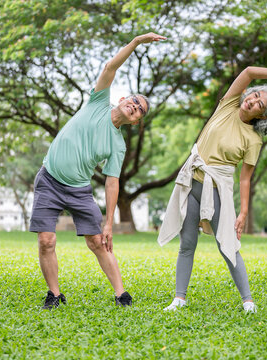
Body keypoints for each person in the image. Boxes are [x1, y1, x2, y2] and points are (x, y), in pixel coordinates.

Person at [30, 32, 166, 309]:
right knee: (46, 240)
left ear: (137, 121)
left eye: (140, 110)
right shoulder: (98, 103)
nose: (135, 107)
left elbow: (112, 182)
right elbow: (110, 67)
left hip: (79, 190)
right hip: (49, 179)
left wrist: (108, 222)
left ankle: (121, 295)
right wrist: (136, 42)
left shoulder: (118, 145)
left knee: (98, 242)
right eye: (135, 101)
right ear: (124, 98)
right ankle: (54, 295)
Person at [158, 66, 267, 313]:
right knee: (187, 244)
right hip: (191, 181)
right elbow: (247, 72)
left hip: (217, 190)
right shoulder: (227, 106)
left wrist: (243, 213)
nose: (253, 101)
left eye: (260, 105)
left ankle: (248, 301)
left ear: (263, 116)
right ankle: (179, 298)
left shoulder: (253, 140)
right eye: (255, 95)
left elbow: (245, 179)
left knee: (228, 245)